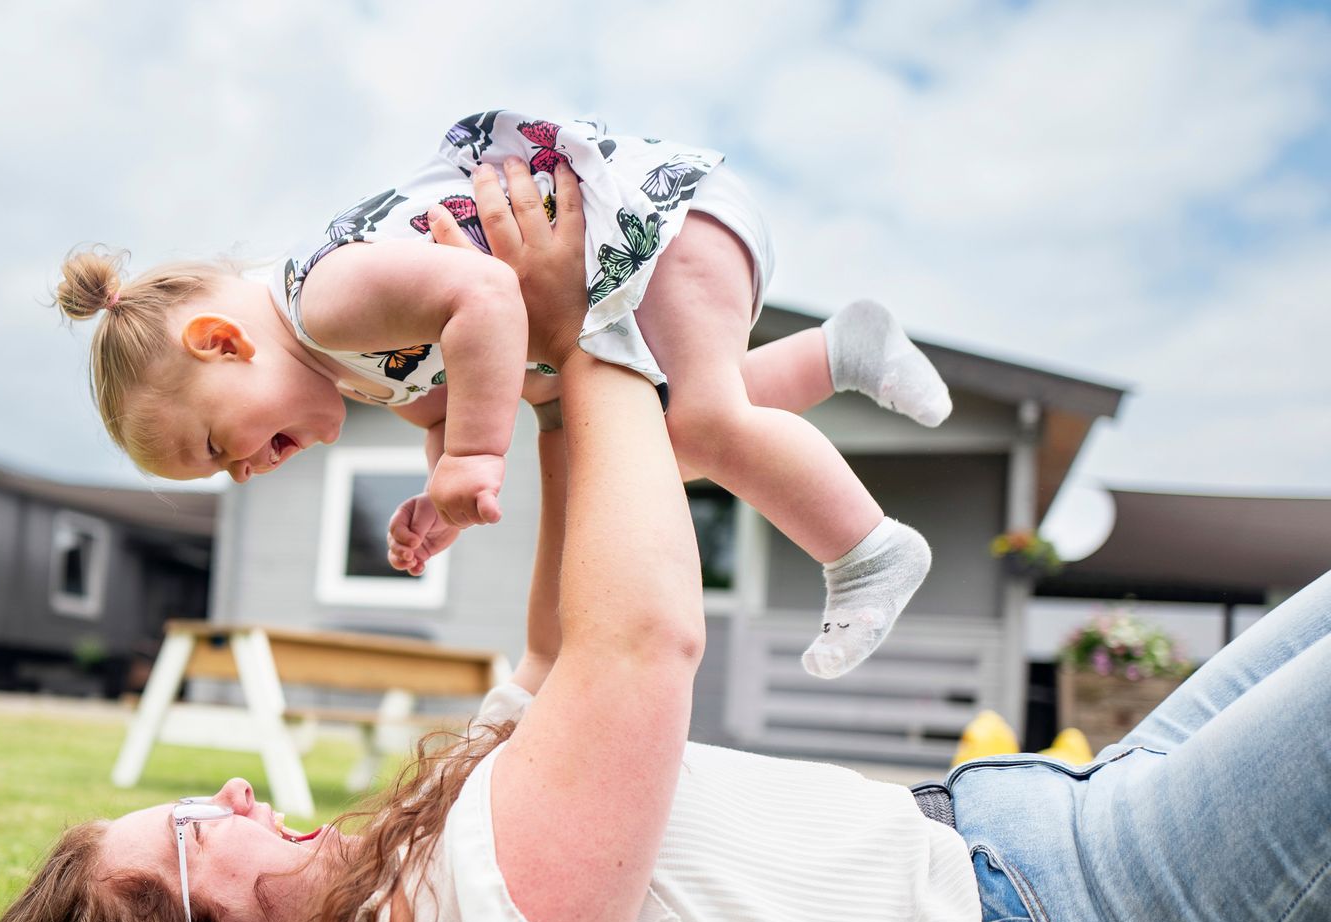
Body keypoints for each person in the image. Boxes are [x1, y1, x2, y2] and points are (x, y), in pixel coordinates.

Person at [0, 159, 1331, 922]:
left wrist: (540, 404)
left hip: (1051, 839)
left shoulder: (406, 896)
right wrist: (587, 329)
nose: (228, 790)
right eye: (188, 829)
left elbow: (558, 659)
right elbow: (635, 647)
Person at [54, 109, 948, 679]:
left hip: (655, 228)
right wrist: (444, 485)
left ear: (221, 343)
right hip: (629, 263)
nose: (244, 473)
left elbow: (480, 298)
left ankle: (867, 550)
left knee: (706, 425)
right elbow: (444, 399)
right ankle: (839, 352)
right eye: (223, 476)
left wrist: (481, 453)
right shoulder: (348, 364)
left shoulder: (320, 301)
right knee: (663, 444)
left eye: (218, 447)